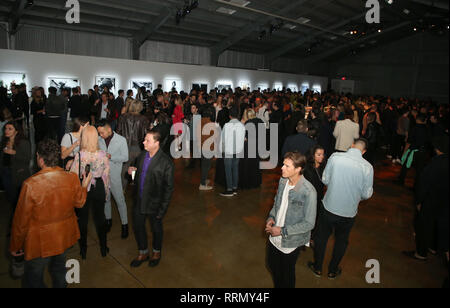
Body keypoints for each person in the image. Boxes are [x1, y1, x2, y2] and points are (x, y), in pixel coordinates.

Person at [9, 139, 91, 288]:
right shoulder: (71, 178)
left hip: (40, 242)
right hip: (63, 236)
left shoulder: (30, 184)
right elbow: (79, 203)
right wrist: (84, 185)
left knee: (33, 278)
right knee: (60, 271)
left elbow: (21, 221)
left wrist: (15, 246)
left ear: (40, 159)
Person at [308, 138, 373, 279]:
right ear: (364, 151)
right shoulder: (367, 167)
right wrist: (355, 196)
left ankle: (318, 267)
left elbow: (325, 179)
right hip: (349, 212)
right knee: (341, 241)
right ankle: (332, 270)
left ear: (351, 145)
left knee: (321, 238)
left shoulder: (336, 157)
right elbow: (367, 194)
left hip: (329, 207)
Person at [265, 151, 317, 288]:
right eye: (283, 164)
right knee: (272, 265)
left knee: (286, 274)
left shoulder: (309, 192)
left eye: (287, 166)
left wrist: (282, 231)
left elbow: (309, 223)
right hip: (274, 235)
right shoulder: (283, 181)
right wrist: (271, 217)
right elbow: (277, 203)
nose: (282, 168)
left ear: (298, 169)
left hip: (290, 240)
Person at [128, 129, 174, 268]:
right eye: (144, 139)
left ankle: (156, 252)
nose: (143, 142)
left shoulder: (166, 163)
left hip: (155, 203)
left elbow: (168, 189)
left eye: (147, 140)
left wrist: (162, 210)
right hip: (139, 200)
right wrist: (132, 171)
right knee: (138, 226)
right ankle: (143, 252)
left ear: (157, 143)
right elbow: (138, 172)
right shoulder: (142, 156)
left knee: (156, 229)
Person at [403, 136, 449, 261]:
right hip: (445, 201)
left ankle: (421, 252)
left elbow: (423, 183)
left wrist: (418, 201)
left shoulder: (435, 163)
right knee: (437, 224)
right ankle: (433, 247)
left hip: (431, 199)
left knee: (423, 226)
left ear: (437, 149)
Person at [70, 126, 110, 259]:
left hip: (84, 186)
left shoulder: (80, 155)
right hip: (98, 186)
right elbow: (106, 174)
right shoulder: (103, 154)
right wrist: (105, 191)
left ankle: (83, 250)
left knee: (83, 219)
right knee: (100, 218)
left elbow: (73, 175)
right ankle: (104, 248)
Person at [97, 120, 129, 239]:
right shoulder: (99, 140)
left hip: (115, 175)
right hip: (102, 174)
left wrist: (111, 157)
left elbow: (125, 157)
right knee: (106, 199)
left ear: (109, 130)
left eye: (102, 133)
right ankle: (108, 221)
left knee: (120, 200)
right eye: (99, 133)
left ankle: (125, 225)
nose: (100, 135)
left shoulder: (121, 140)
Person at [0, 121, 31, 234]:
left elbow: (27, 159)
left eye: (10, 129)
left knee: (18, 203)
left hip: (18, 174)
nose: (6, 131)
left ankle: (17, 227)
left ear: (16, 131)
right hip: (6, 173)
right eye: (6, 129)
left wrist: (14, 153)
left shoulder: (23, 142)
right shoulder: (4, 141)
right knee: (12, 199)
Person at [117, 99, 149, 189]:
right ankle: (136, 186)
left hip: (124, 146)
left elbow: (118, 132)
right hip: (138, 146)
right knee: (138, 167)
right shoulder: (143, 119)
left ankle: (122, 189)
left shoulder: (122, 117)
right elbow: (146, 134)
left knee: (124, 168)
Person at [220, 106, 246, 197]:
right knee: (235, 168)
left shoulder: (227, 125)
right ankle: (235, 188)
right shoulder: (242, 125)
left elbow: (222, 140)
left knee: (228, 169)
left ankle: (229, 190)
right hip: (238, 150)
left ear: (229, 115)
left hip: (228, 150)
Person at [303, 145, 326, 236]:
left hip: (319, 197)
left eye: (323, 154)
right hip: (307, 197)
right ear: (313, 155)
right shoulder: (307, 168)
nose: (322, 157)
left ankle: (311, 236)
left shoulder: (323, 166)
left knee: (315, 218)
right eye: (319, 154)